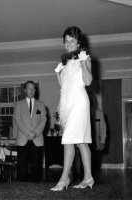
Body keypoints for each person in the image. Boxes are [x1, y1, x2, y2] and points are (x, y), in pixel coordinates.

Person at [50, 26, 94, 191]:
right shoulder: (65, 63)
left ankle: (63, 179)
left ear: (78, 43)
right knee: (80, 142)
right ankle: (88, 177)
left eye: (72, 41)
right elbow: (64, 88)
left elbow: (88, 81)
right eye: (66, 41)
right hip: (68, 103)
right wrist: (57, 74)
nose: (69, 44)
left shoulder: (84, 57)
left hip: (80, 102)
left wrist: (83, 61)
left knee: (69, 140)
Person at [15, 80, 47, 182]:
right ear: (25, 90)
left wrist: (35, 133)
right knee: (22, 166)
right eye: (29, 88)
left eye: (33, 88)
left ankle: (36, 189)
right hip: (23, 138)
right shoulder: (19, 104)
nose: (31, 90)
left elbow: (43, 119)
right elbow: (17, 119)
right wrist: (27, 133)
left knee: (37, 166)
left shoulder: (41, 104)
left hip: (37, 138)